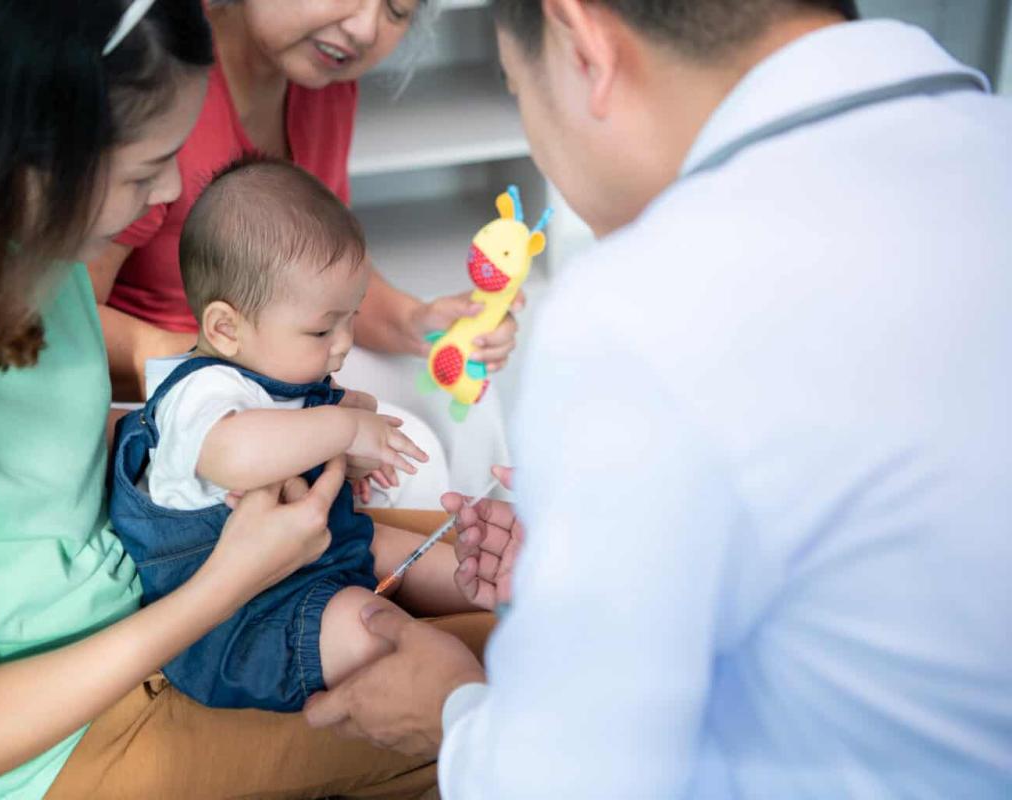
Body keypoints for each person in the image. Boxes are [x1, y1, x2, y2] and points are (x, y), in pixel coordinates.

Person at [303, 0, 1012, 796]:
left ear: (580, 43)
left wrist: (451, 716)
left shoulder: (646, 308)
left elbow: (568, 781)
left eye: (514, 88)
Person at [0, 2, 488, 799]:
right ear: (23, 156)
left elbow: (20, 464)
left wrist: (255, 446)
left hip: (154, 583)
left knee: (525, 626)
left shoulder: (17, 243)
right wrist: (222, 584)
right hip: (54, 750)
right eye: (143, 170)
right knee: (499, 713)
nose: (171, 187)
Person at [88, 0, 522, 503]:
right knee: (407, 461)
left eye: (398, 11)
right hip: (185, 380)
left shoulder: (323, 82)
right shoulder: (163, 83)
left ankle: (476, 555)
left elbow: (320, 275)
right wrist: (209, 366)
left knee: (463, 396)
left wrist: (419, 321)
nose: (365, 28)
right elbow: (62, 320)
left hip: (285, 351)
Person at [110, 156, 476, 713]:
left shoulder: (278, 367)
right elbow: (233, 454)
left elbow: (295, 443)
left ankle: (495, 586)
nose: (344, 343)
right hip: (248, 617)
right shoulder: (200, 394)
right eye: (323, 328)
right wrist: (343, 428)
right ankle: (442, 671)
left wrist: (349, 445)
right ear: (225, 329)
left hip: (312, 557)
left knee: (415, 554)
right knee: (378, 634)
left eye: (350, 318)